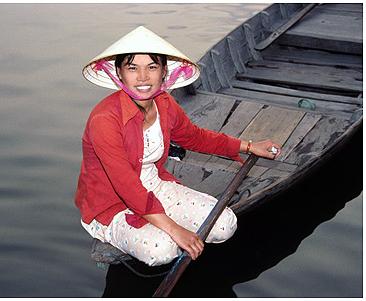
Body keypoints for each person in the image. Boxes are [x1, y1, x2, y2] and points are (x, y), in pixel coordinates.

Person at [75, 26, 280, 267]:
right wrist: (175, 230)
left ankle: (159, 225)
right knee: (162, 250)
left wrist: (248, 146)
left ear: (164, 73)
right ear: (119, 73)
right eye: (132, 68)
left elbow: (195, 137)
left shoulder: (164, 103)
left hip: (154, 187)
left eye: (152, 67)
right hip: (111, 203)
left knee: (225, 224)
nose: (143, 77)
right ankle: (108, 233)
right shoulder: (105, 120)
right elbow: (125, 184)